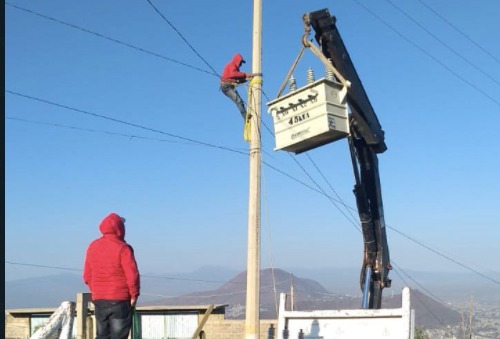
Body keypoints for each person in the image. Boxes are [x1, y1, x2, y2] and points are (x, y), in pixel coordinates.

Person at [83, 213, 140, 339]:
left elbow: (87, 275)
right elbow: (132, 275)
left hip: (99, 300)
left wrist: (97, 290)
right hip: (120, 299)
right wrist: (134, 295)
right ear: (120, 228)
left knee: (102, 336)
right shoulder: (123, 248)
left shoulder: (92, 246)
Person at [220, 53, 259, 121]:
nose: (241, 64)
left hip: (229, 86)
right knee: (239, 100)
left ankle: (246, 116)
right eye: (240, 62)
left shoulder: (236, 69)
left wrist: (246, 79)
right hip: (226, 86)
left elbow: (237, 79)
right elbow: (233, 74)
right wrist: (245, 75)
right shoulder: (231, 65)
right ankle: (245, 116)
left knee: (239, 101)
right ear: (237, 60)